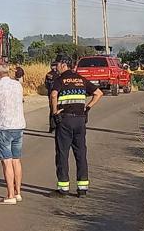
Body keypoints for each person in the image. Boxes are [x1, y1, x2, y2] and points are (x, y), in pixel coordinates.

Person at [49, 55, 103, 197]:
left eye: (58, 64)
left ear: (64, 65)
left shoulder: (60, 80)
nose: (56, 67)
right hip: (80, 120)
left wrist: (55, 112)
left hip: (65, 120)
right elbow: (98, 93)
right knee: (80, 154)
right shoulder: (81, 79)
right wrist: (87, 108)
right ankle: (82, 188)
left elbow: (54, 95)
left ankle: (63, 189)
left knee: (62, 154)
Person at [0, 63, 25, 205]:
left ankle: (10, 195)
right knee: (16, 159)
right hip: (19, 124)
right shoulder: (17, 85)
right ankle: (18, 192)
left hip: (3, 126)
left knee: (6, 161)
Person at [45, 61, 60, 133]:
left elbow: (46, 85)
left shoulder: (48, 74)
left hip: (51, 94)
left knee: (52, 110)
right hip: (59, 94)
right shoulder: (59, 74)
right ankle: (57, 126)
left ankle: (52, 126)